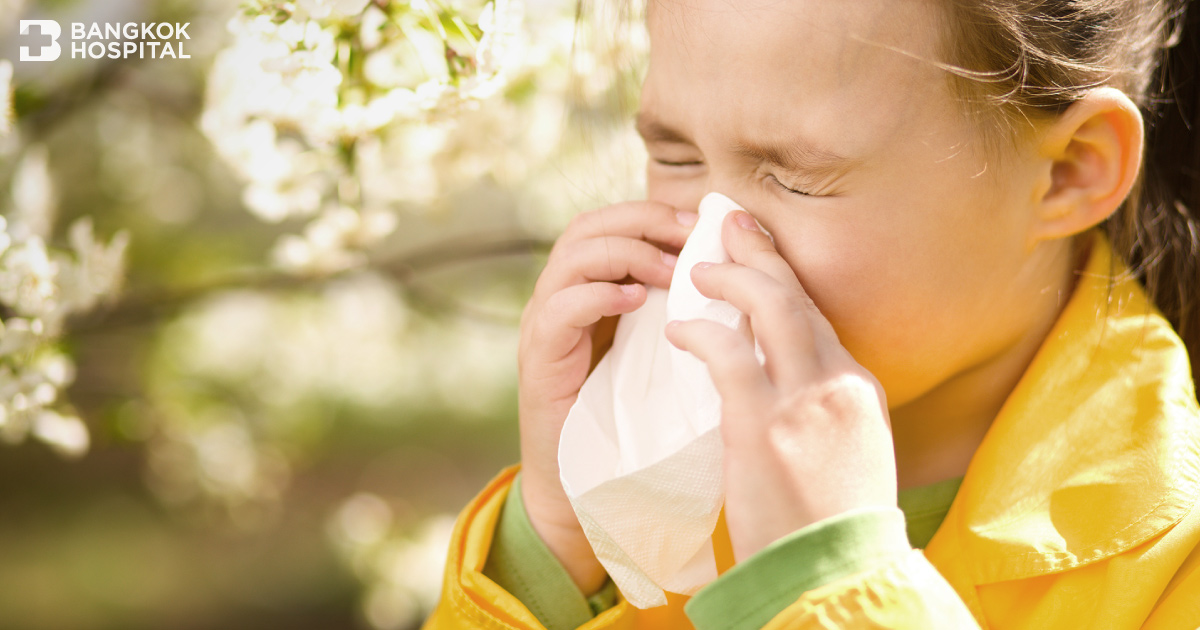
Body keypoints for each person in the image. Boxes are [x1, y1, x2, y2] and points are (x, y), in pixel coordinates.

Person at [423, 0, 1200, 627]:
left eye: (795, 178)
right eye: (676, 157)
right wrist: (555, 546)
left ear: (1068, 173)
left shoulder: (1175, 561)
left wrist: (832, 585)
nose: (711, 243)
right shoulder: (662, 459)